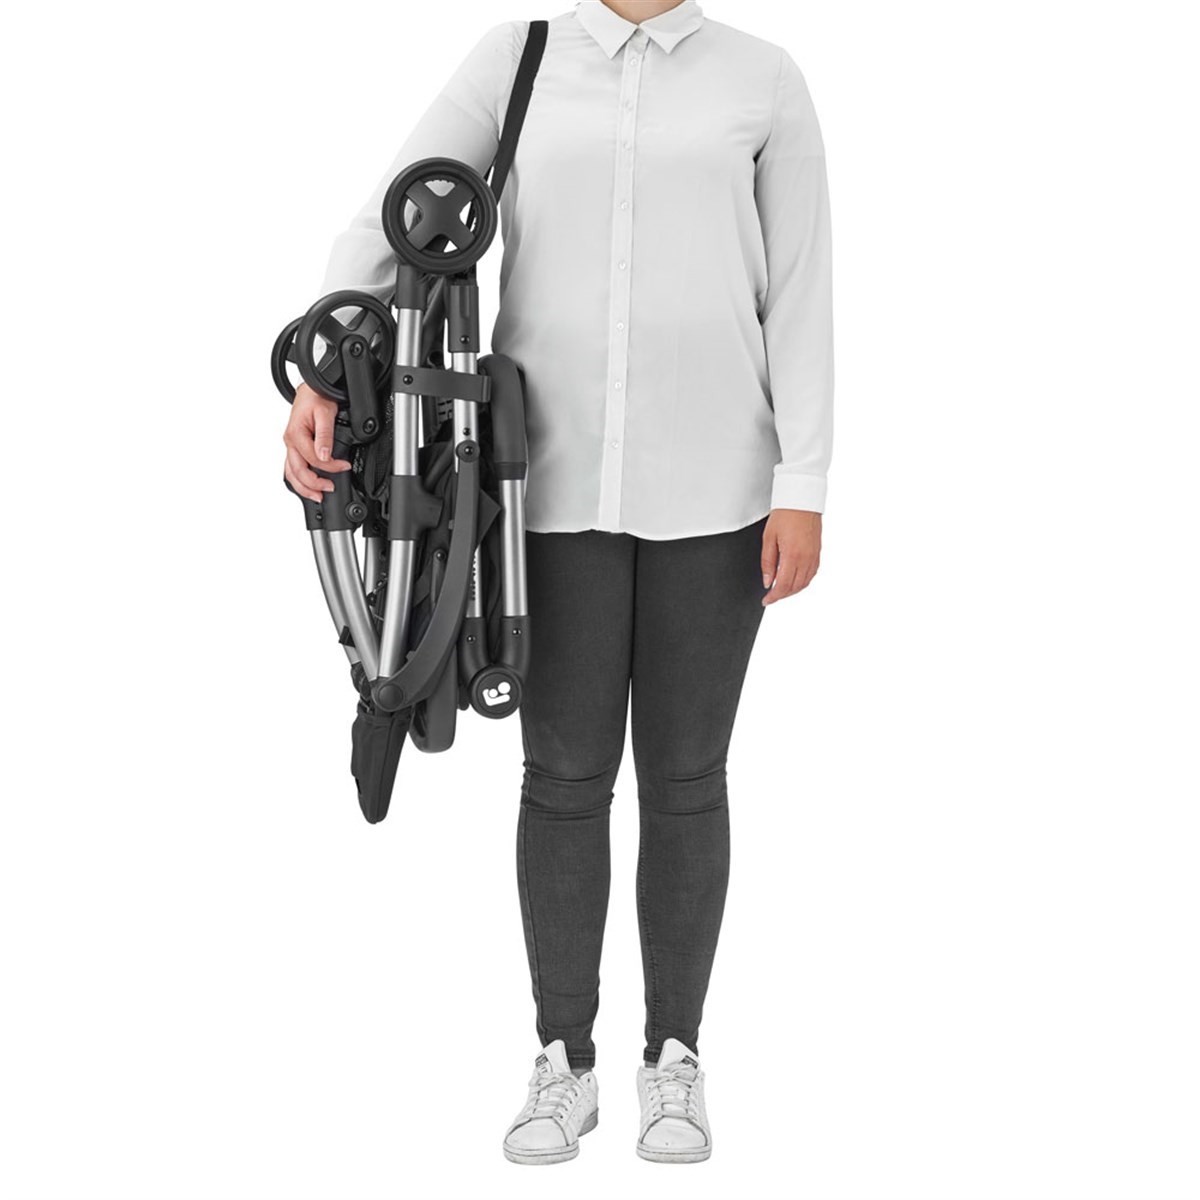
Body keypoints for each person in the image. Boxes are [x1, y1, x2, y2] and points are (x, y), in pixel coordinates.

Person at [282, 0, 833, 1166]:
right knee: (565, 779)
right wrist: (326, 369)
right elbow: (393, 217)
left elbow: (801, 286)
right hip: (545, 488)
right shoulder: (521, 54)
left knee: (687, 780)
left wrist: (806, 479)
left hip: (719, 486)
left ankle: (674, 1061)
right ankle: (563, 1063)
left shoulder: (762, 79)